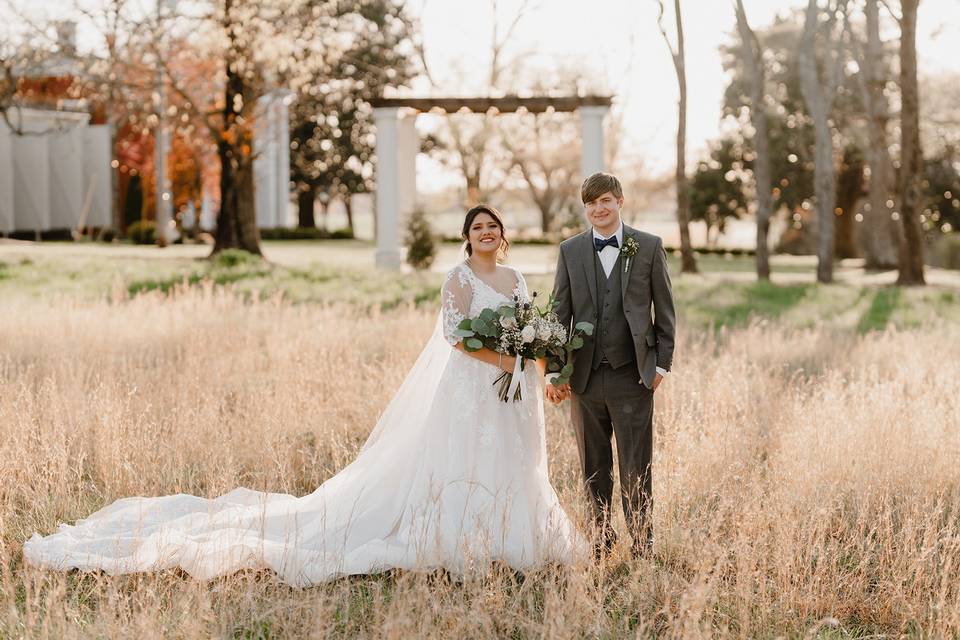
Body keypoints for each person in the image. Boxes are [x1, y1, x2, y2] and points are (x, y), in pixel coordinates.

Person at [23, 205, 584, 586]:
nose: (486, 233)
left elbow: (528, 332)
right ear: (467, 236)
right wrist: (508, 359)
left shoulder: (514, 280)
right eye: (477, 227)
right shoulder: (458, 280)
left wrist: (539, 366)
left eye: (493, 226)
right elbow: (458, 338)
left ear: (501, 235)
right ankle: (462, 536)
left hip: (514, 392)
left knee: (514, 459)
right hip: (470, 389)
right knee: (464, 459)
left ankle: (517, 532)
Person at [546, 172, 676, 559]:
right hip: (583, 380)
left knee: (637, 465)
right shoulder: (570, 250)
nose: (598, 209)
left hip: (633, 376)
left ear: (620, 201)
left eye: (605, 201)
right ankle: (601, 541)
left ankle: (642, 544)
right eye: (590, 203)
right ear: (585, 208)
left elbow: (665, 311)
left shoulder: (648, 247)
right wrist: (555, 369)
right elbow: (558, 313)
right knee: (593, 467)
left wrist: (661, 366)